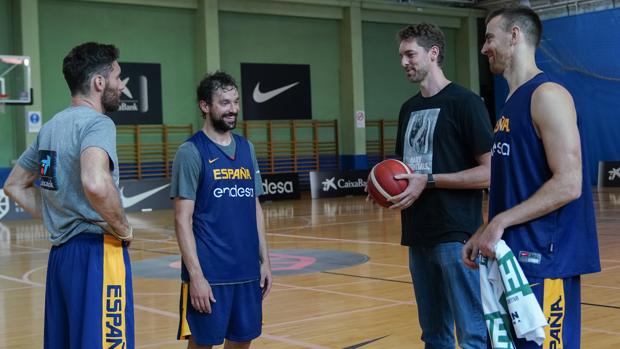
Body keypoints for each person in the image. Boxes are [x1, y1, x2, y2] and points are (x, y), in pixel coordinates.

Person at [462, 6, 601, 349]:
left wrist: (500, 222)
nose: (484, 48)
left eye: (489, 38)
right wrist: (487, 228)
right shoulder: (510, 102)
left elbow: (569, 183)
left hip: (547, 261)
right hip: (515, 260)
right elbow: (520, 185)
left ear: (515, 36)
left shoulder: (548, 95)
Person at [3, 42, 134, 349]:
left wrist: (55, 215)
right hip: (97, 253)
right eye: (117, 78)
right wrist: (124, 228)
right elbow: (96, 183)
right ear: (98, 83)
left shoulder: (51, 127)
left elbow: (14, 184)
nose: (120, 86)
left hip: (61, 257)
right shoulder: (98, 124)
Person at [384, 23, 493, 348]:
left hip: (457, 239)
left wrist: (429, 181)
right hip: (418, 237)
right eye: (401, 55)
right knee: (433, 337)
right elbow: (404, 171)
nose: (404, 62)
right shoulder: (408, 109)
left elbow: (490, 172)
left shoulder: (465, 103)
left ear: (433, 53)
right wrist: (382, 185)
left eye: (410, 54)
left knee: (472, 336)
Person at [171, 71, 273, 349]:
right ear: (205, 106)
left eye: (236, 102)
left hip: (247, 271)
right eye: (225, 103)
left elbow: (255, 208)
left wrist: (264, 261)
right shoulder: (191, 152)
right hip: (210, 275)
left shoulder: (246, 148)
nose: (233, 109)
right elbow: (182, 220)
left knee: (242, 342)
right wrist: (196, 276)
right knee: (202, 344)